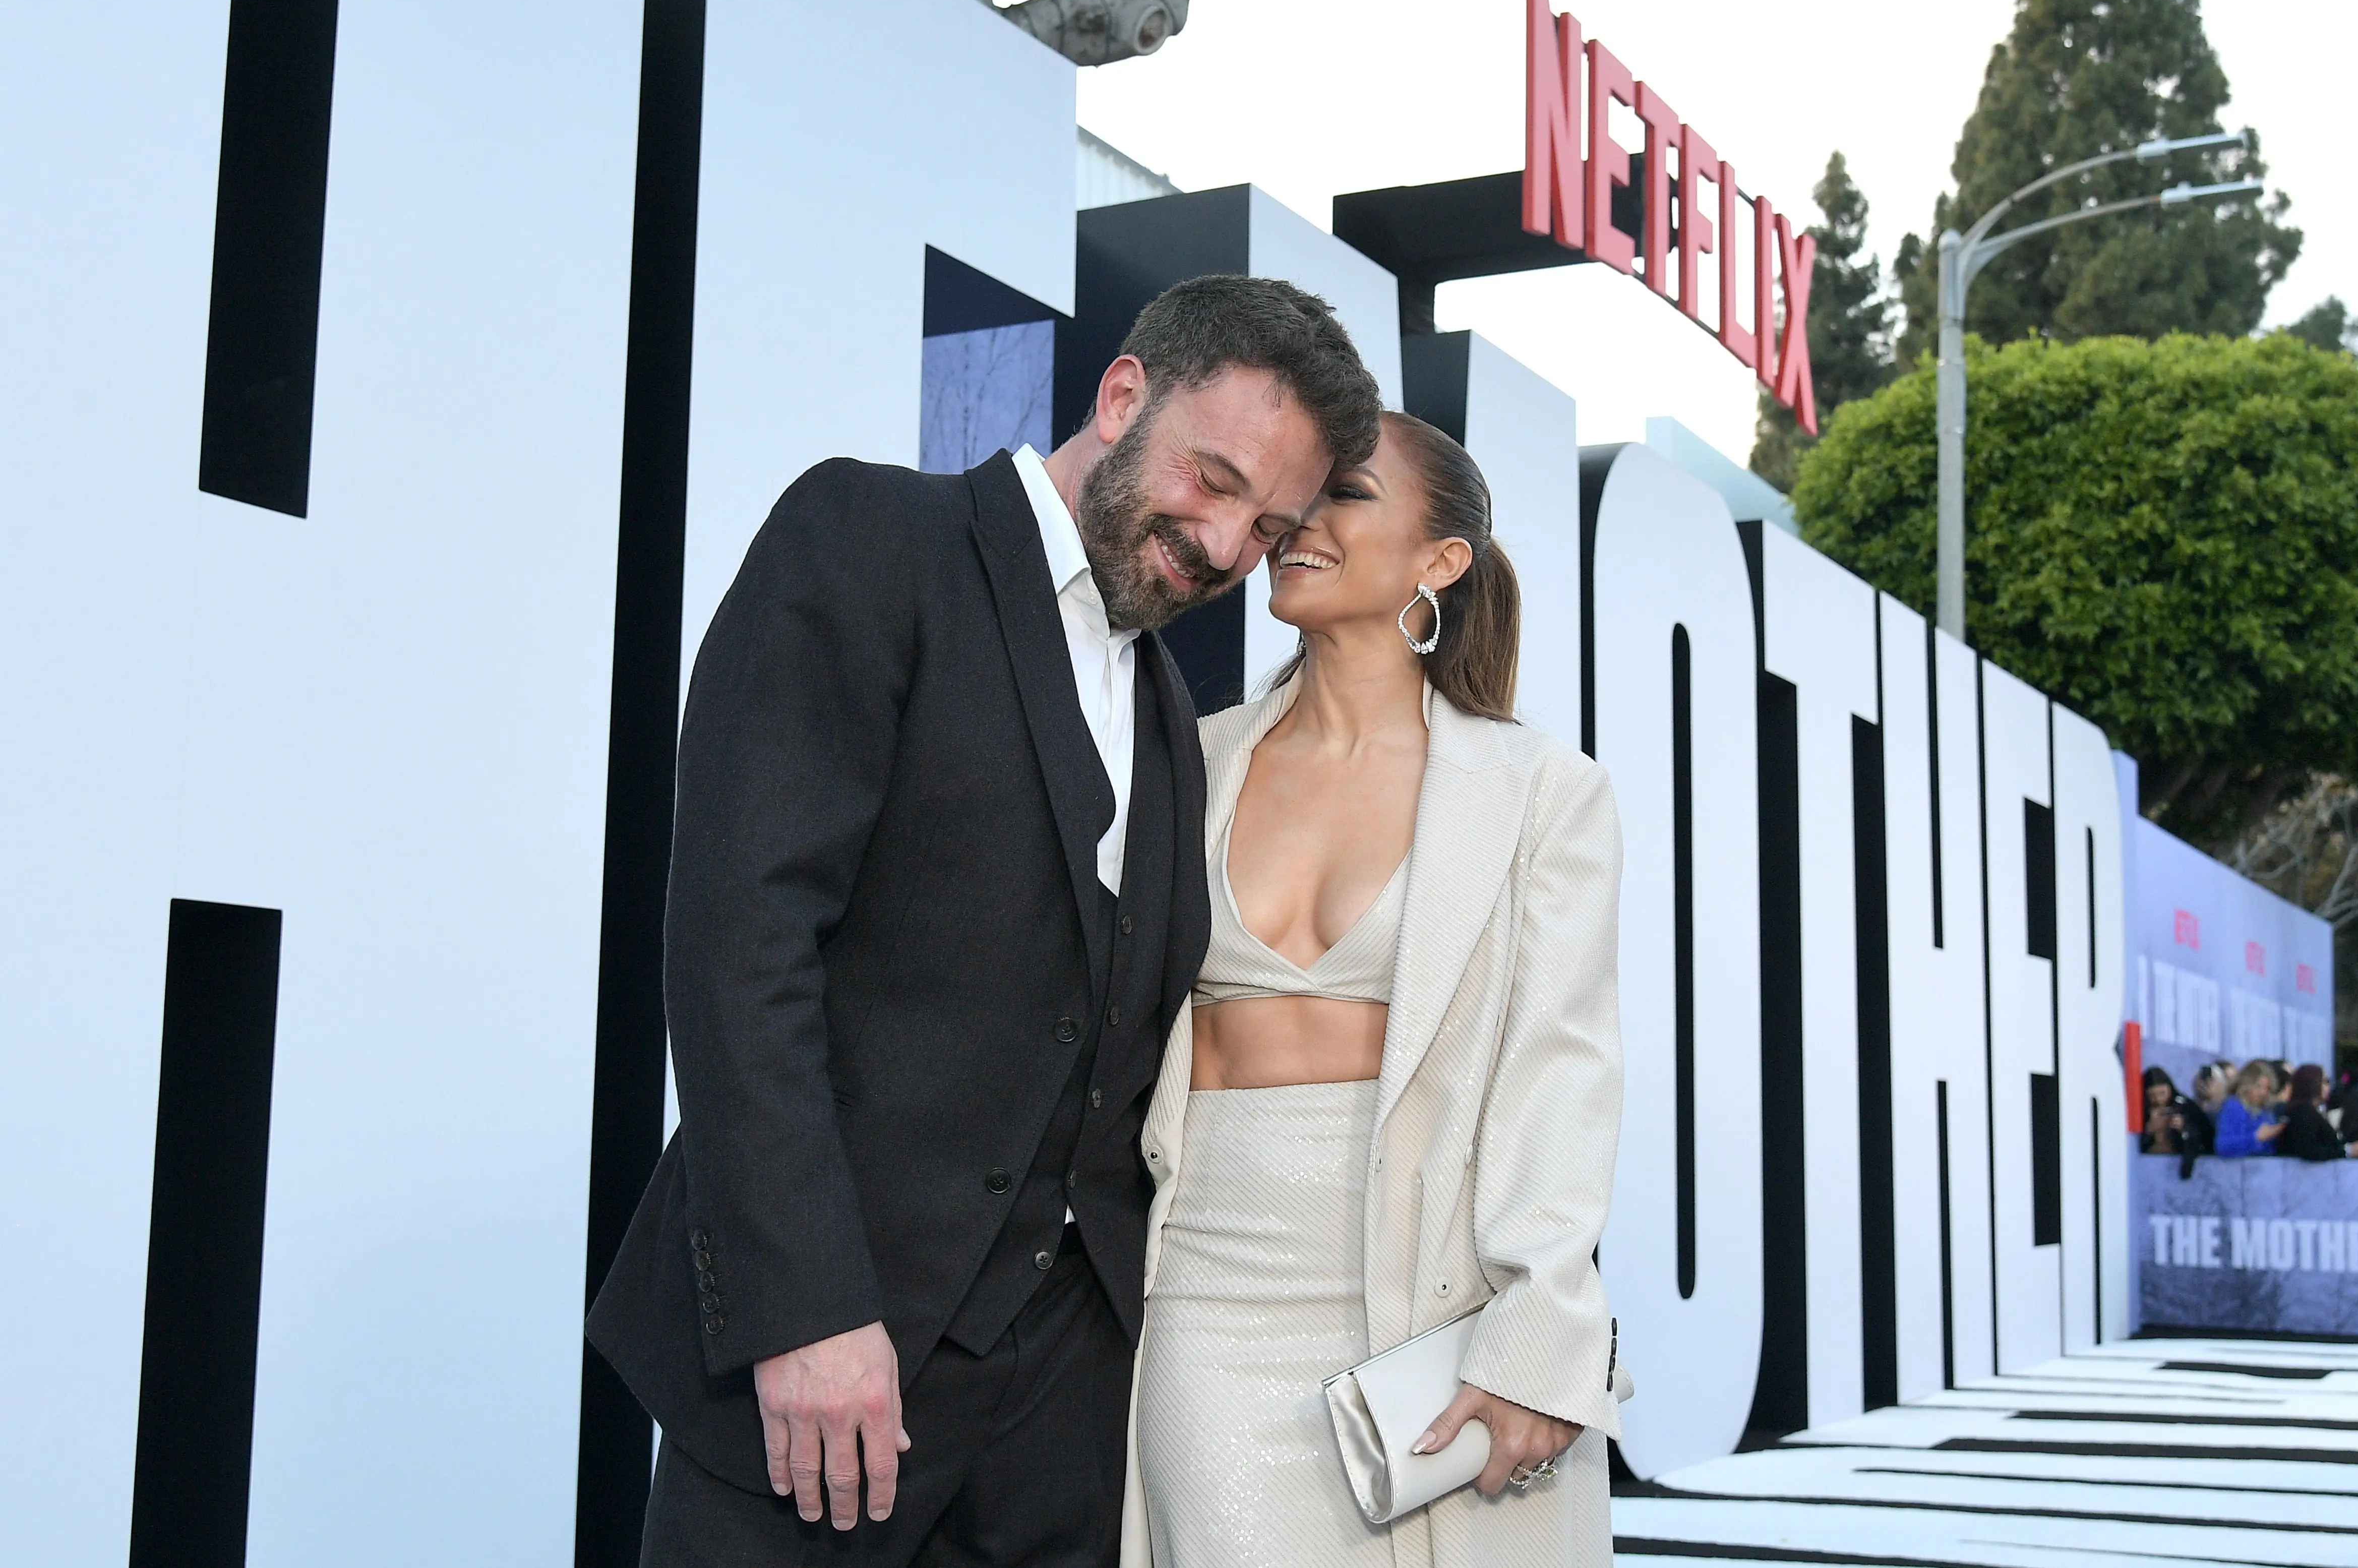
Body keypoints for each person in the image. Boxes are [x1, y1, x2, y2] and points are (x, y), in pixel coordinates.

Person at [586, 275, 1381, 1566]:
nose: (1229, 548)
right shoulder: (869, 539)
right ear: (1122, 396)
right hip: (819, 1401)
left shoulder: (1173, 716)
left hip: (1057, 1444)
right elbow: (743, 947)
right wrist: (804, 1315)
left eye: (1269, 525)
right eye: (1214, 479)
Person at [1127, 411, 1622, 1567]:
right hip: (1207, 1292)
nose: (1297, 522)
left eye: (1343, 493)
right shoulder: (1180, 763)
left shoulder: (1541, 790)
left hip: (1440, 1299)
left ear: (1439, 560)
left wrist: (1541, 1328)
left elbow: (1562, 1069)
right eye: (1290, 498)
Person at [2276, 1064, 2358, 1160]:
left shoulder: (2310, 1111)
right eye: (2325, 1082)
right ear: (2312, 1083)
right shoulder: (2303, 1113)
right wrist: (2347, 1151)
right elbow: (2310, 1150)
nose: (2328, 1087)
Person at [2214, 1059, 2287, 1158]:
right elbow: (2223, 1146)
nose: (2263, 1093)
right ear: (2247, 1085)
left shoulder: (2266, 1111)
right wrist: (2256, 1138)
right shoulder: (2233, 1107)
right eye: (2258, 1087)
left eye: (2266, 1088)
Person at [2139, 1066, 2212, 1159]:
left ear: (2170, 1089)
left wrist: (2184, 1127)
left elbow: (2205, 1134)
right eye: (2152, 1096)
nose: (2158, 1100)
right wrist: (2148, 1131)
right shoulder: (2142, 1112)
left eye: (2162, 1093)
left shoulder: (2186, 1106)